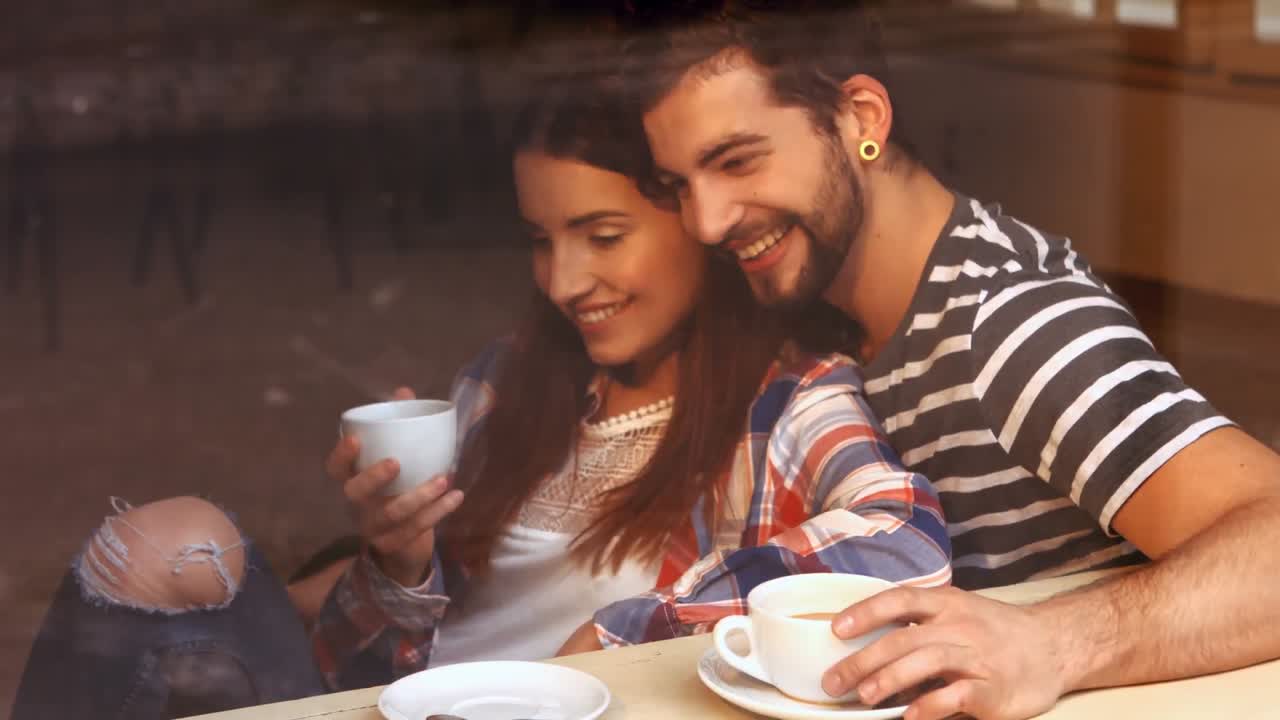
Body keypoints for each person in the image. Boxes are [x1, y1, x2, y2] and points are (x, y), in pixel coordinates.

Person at [10, 80, 950, 720]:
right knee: (168, 541)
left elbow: (900, 536)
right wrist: (398, 557)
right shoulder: (509, 383)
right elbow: (379, 655)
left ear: (695, 224)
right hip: (409, 701)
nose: (567, 280)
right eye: (541, 240)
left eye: (603, 233)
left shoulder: (785, 403)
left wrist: (632, 628)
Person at [617, 2, 1280, 719]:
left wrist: (1055, 642)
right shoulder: (820, 310)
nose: (706, 221)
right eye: (680, 184)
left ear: (862, 120)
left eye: (738, 160)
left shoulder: (1011, 324)